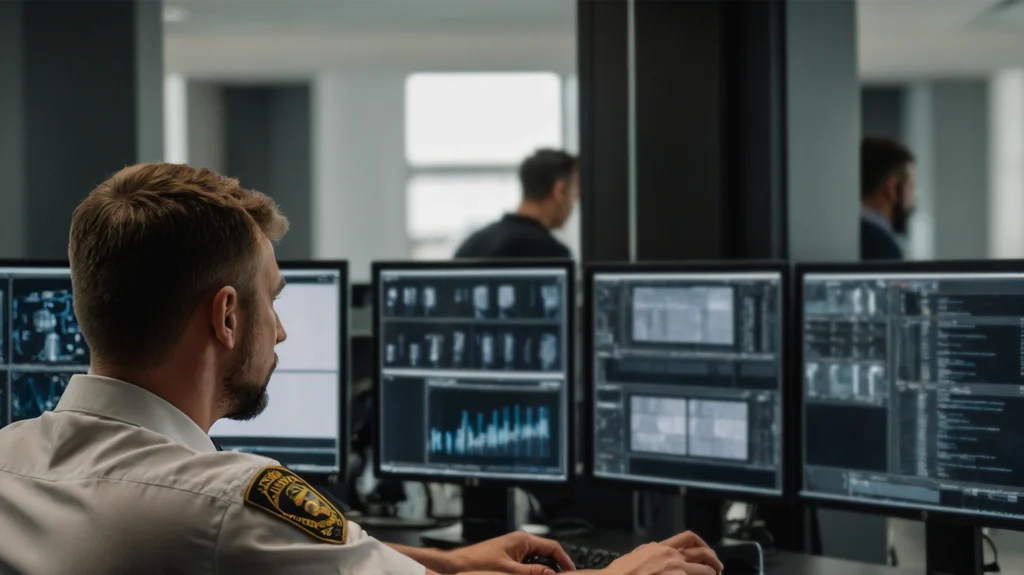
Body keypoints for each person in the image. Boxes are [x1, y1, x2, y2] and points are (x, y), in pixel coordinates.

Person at [0, 162, 722, 575]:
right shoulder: (233, 500)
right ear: (226, 317)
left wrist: (450, 562)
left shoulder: (11, 460)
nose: (279, 330)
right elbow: (239, 530)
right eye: (270, 301)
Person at [455, 149, 578, 259]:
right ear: (560, 190)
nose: (575, 201)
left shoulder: (474, 243)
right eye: (575, 190)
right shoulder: (549, 252)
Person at [860, 136, 916, 260]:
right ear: (891, 188)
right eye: (911, 187)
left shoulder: (853, 235)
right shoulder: (883, 248)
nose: (912, 199)